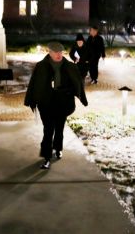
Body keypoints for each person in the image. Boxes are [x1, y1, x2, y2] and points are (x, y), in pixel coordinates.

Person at [24, 42, 88, 170]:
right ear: (50, 52)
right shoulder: (41, 66)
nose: (59, 55)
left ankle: (58, 148)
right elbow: (34, 84)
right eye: (56, 52)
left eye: (61, 52)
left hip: (62, 103)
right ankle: (47, 157)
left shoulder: (70, 66)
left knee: (59, 129)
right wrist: (32, 99)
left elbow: (77, 82)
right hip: (46, 103)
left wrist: (70, 91)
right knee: (48, 130)